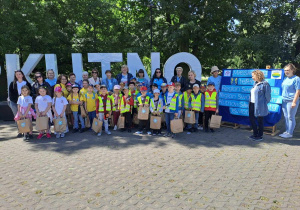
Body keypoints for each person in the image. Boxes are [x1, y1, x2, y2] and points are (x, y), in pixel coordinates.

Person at [248, 70, 271, 141]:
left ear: (258, 75)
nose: (252, 77)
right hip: (252, 103)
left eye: (253, 76)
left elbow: (268, 97)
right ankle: (255, 133)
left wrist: (263, 104)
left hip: (260, 105)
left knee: (260, 120)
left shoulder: (265, 84)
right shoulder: (255, 83)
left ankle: (260, 135)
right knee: (252, 119)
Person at [9, 70, 32, 138]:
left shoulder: (27, 83)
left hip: (25, 104)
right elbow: (11, 94)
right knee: (18, 117)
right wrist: (18, 101)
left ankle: (27, 131)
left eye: (19, 74)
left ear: (22, 75)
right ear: (15, 76)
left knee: (26, 117)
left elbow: (30, 92)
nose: (18, 75)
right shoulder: (13, 84)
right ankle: (20, 131)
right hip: (15, 103)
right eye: (17, 74)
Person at [279, 63, 300, 138]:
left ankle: (290, 133)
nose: (286, 71)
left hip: (291, 100)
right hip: (284, 100)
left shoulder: (296, 79)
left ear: (292, 70)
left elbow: (298, 91)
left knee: (291, 117)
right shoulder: (285, 78)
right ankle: (287, 131)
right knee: (285, 116)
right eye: (285, 70)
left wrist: (294, 102)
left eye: (288, 70)